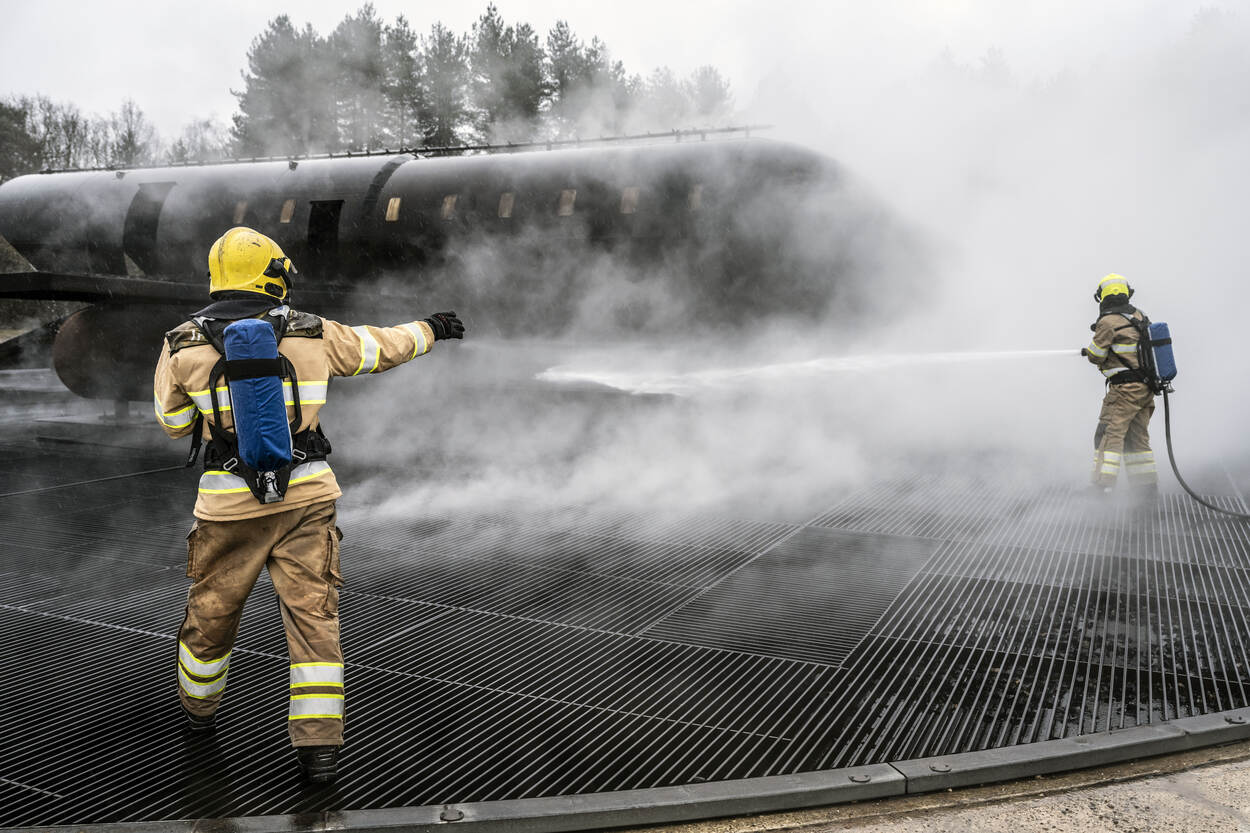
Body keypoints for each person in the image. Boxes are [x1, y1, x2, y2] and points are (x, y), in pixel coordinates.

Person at [152, 226, 464, 783]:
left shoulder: (181, 344)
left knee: (212, 617)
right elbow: (380, 348)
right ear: (273, 275)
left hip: (228, 511)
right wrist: (432, 329)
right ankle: (319, 751)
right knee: (314, 619)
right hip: (308, 500)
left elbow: (175, 427)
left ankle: (198, 717)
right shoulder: (312, 332)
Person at [1081, 273, 1158, 497]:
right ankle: (1145, 493)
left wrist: (1089, 351)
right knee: (1137, 440)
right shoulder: (1139, 316)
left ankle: (1100, 488)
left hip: (1124, 391)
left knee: (1108, 434)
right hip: (1145, 390)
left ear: (1102, 296)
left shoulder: (1107, 322)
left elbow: (1096, 355)